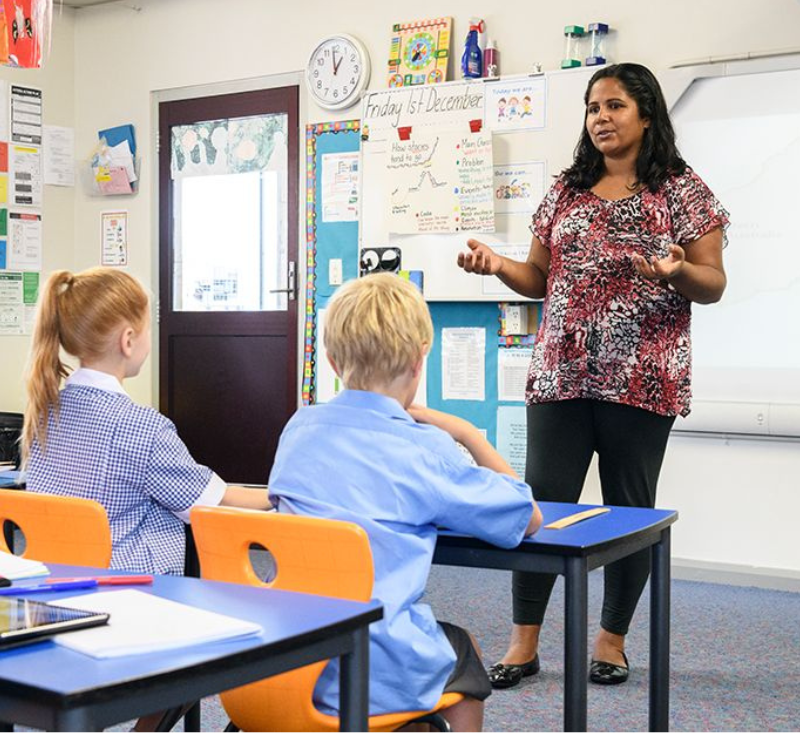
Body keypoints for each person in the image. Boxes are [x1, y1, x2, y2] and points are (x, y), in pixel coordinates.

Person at [457, 63, 728, 688]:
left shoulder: (683, 191)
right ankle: (523, 643)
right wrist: (498, 264)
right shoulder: (565, 189)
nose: (601, 118)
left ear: (647, 115)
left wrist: (676, 273)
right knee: (539, 506)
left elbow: (712, 283)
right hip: (561, 373)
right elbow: (538, 278)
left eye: (614, 106)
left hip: (643, 375)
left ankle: (611, 640)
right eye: (592, 108)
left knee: (628, 509)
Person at [268, 273, 543, 730]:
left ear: (334, 362)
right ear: (420, 361)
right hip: (373, 665)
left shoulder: (298, 429)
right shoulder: (424, 449)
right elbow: (527, 514)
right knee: (463, 650)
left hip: (281, 657)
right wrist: (467, 433)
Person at [22, 267, 271, 576]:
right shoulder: (142, 428)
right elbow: (213, 504)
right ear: (128, 340)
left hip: (58, 585)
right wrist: (279, 493)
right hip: (131, 594)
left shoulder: (43, 414)